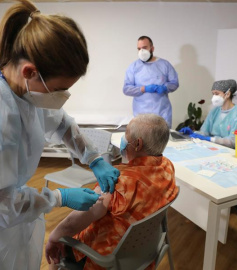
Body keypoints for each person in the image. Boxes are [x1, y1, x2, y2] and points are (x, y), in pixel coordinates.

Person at [0, 1, 119, 269]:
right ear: (30, 72)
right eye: (60, 89)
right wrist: (58, 198)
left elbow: (63, 124)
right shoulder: (2, 114)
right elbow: (2, 206)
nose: (62, 97)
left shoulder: (28, 93)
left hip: (19, 223)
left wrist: (94, 158)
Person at [45, 114, 179, 270]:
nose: (123, 139)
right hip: (144, 250)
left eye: (126, 133)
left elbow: (70, 225)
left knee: (58, 247)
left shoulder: (119, 182)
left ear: (137, 144)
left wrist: (53, 237)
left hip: (107, 256)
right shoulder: (167, 167)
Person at [123, 36, 179, 128]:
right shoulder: (134, 67)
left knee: (162, 140)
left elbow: (174, 83)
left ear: (152, 48)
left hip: (162, 114)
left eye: (144, 48)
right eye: (139, 49)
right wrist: (143, 89)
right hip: (141, 117)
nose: (141, 51)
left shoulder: (164, 65)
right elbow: (126, 89)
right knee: (142, 141)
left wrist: (165, 88)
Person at [179, 79, 237, 148]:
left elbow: (233, 142)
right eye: (213, 94)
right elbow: (204, 132)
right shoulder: (214, 111)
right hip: (212, 147)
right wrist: (193, 133)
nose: (214, 97)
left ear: (227, 94)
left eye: (217, 93)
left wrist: (210, 139)